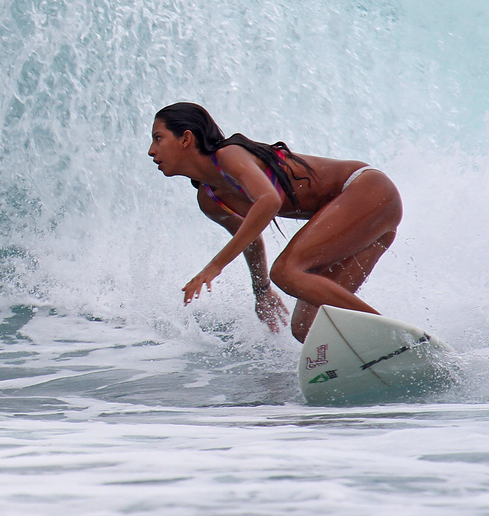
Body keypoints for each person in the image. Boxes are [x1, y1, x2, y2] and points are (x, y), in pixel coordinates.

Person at [147, 102, 402, 342]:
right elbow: (251, 240)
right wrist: (262, 292)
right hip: (367, 221)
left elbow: (268, 200)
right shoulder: (209, 198)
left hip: (368, 190)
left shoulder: (229, 155)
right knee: (307, 329)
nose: (151, 150)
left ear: (186, 138)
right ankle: (380, 355)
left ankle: (395, 338)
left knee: (286, 271)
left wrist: (214, 266)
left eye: (158, 138)